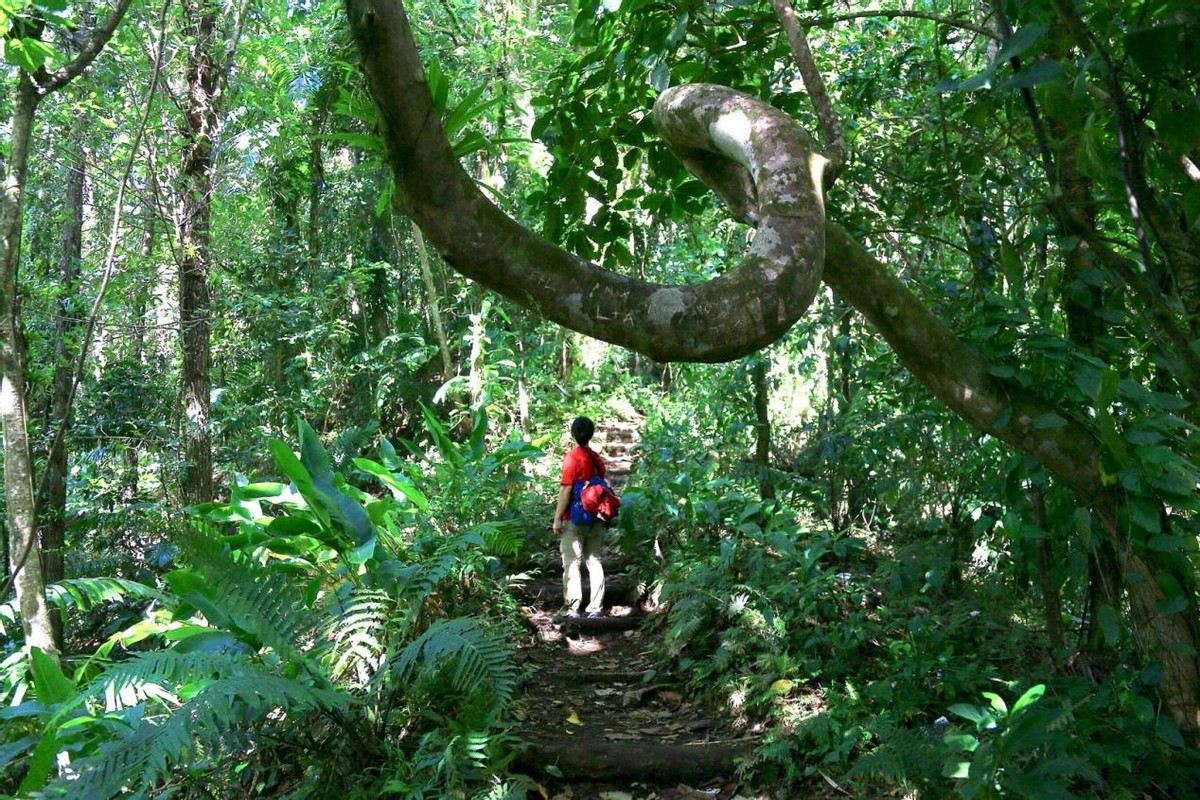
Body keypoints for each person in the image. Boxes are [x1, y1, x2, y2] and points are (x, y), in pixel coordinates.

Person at [552, 416, 606, 619]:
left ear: (573, 434)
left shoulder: (572, 457)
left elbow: (566, 489)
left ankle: (573, 607)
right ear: (591, 434)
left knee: (572, 562)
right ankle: (596, 607)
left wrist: (557, 518)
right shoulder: (596, 458)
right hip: (595, 516)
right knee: (594, 560)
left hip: (573, 517)